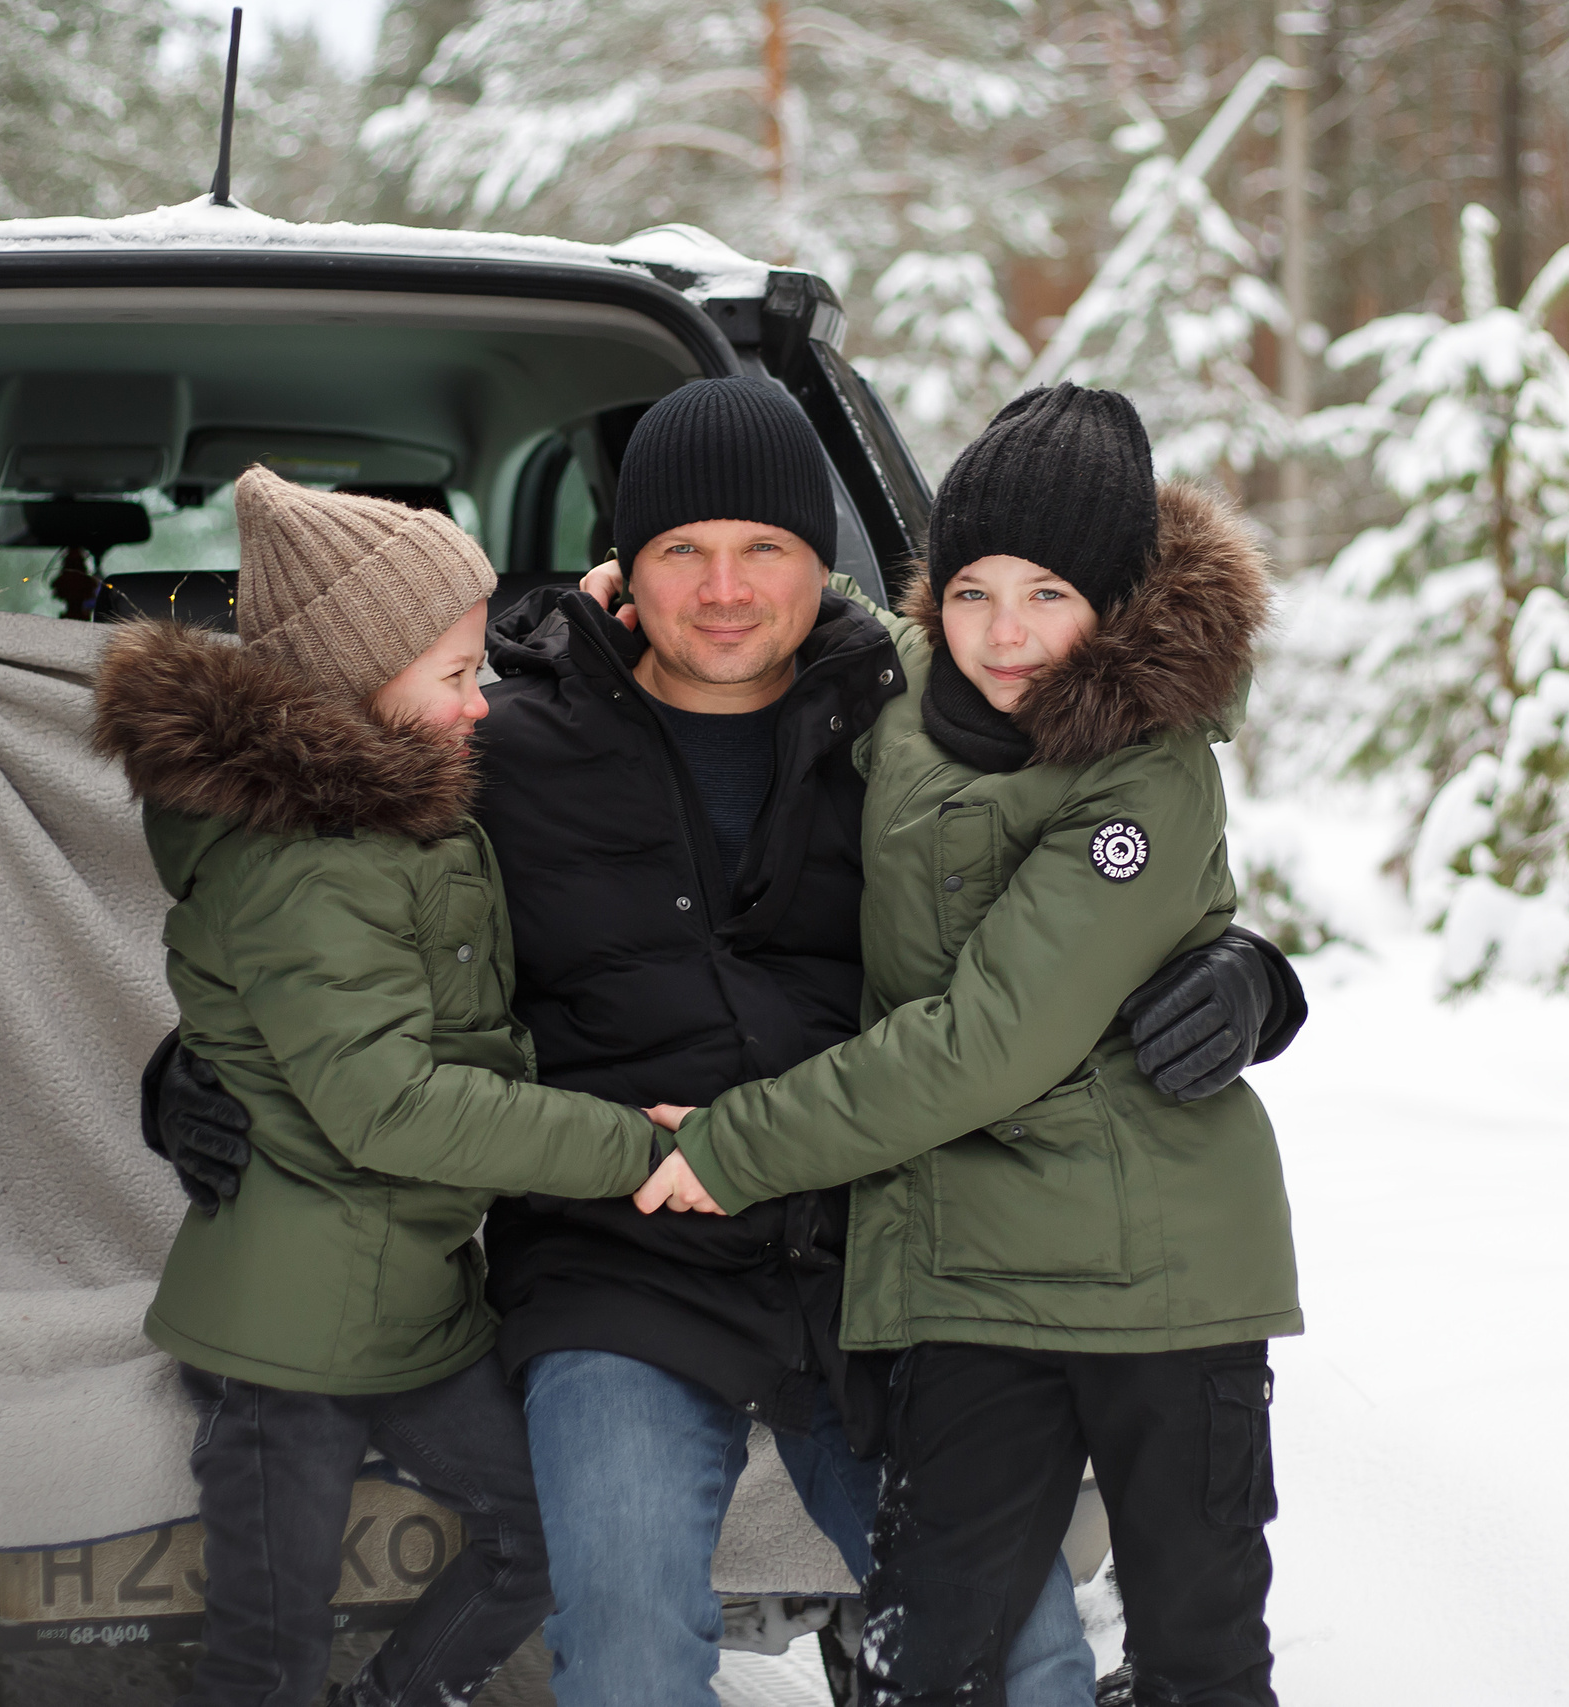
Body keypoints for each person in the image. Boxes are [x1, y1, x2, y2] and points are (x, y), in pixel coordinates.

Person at [146, 380, 1305, 1707]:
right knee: (631, 1655)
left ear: (832, 564)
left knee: (1027, 1653)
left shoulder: (916, 702)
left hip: (866, 1253)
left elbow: (1110, 817)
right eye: (680, 549)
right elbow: (308, 904)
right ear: (624, 569)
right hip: (619, 1265)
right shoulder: (493, 737)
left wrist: (1250, 974)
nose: (726, 588)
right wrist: (188, 1067)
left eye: (768, 547)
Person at [635, 385, 1301, 1707]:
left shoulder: (1147, 769)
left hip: (1160, 1282)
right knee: (922, 1655)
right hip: (966, 1275)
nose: (1006, 632)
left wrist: (739, 1141)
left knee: (1198, 1652)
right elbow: (768, 613)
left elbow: (987, 1041)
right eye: (974, 587)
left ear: (1112, 597)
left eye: (1049, 592)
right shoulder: (899, 680)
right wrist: (615, 594)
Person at [90, 466, 665, 1707]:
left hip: (407, 1304)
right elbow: (389, 1105)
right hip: (283, 1344)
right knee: (268, 1650)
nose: (480, 708)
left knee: (548, 1535)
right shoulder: (309, 868)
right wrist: (629, 1147)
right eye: (455, 678)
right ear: (353, 687)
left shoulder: (394, 819)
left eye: (479, 672)